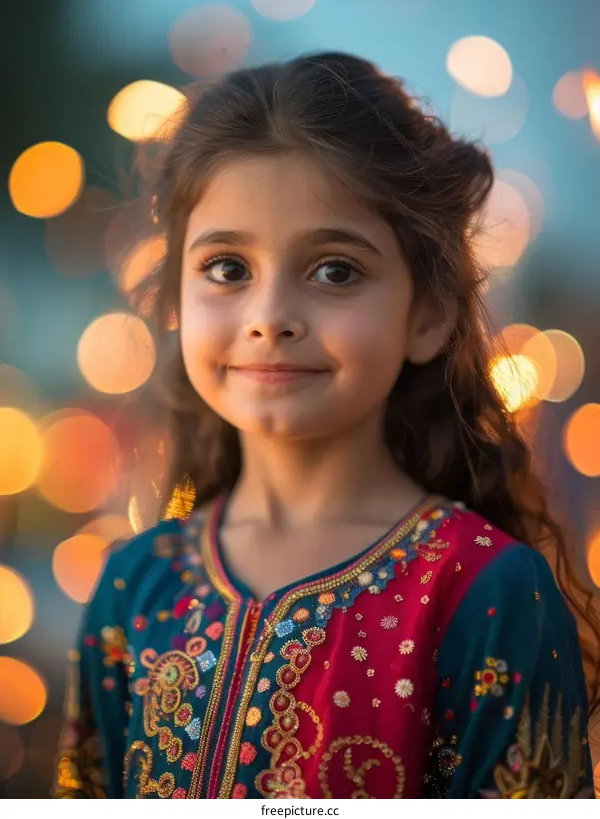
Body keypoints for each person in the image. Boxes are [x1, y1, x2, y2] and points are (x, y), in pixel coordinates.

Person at [53, 51, 599, 799]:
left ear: (429, 315)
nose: (270, 318)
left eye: (335, 271)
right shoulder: (133, 587)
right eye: (227, 269)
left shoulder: (486, 592)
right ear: (177, 300)